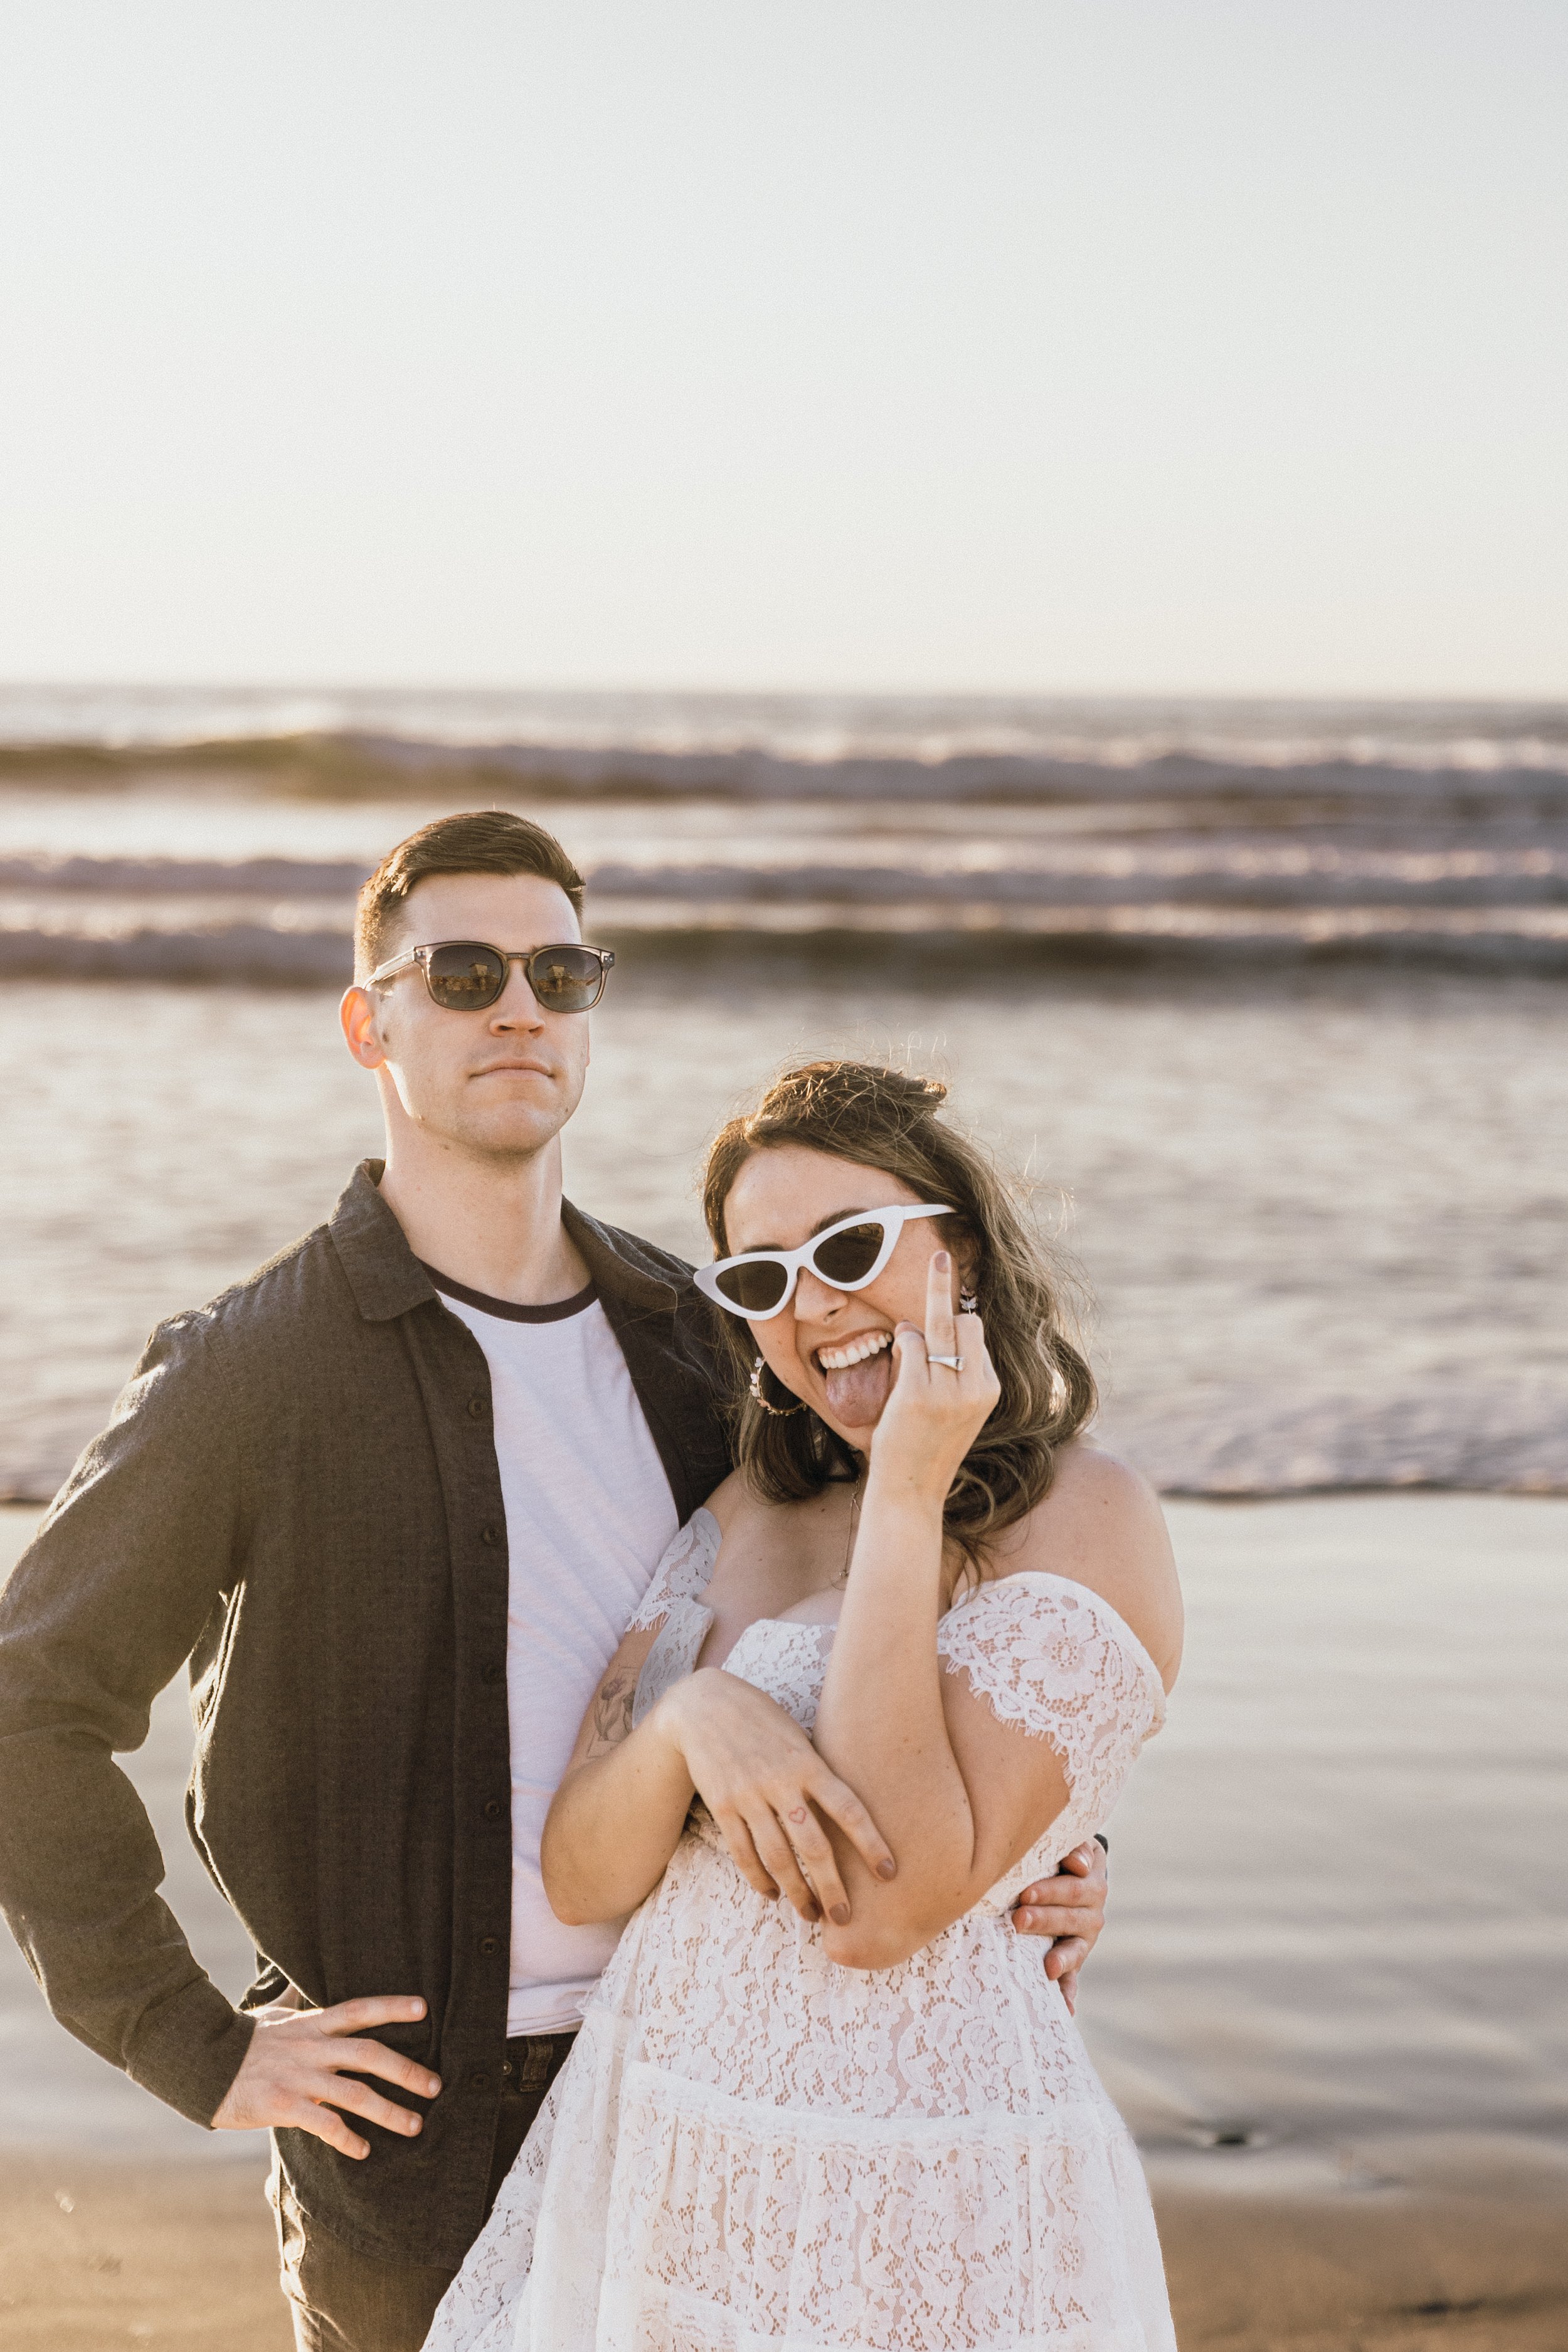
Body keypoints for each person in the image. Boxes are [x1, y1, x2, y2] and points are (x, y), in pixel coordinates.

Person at [0, 813, 1106, 2352]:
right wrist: (190, 2041)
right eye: (459, 972)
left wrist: (1038, 1826)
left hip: (721, 2074)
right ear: (366, 1023)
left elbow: (885, 1592)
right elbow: (29, 1706)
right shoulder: (251, 1371)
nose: (517, 1006)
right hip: (416, 2137)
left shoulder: (706, 1335)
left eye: (559, 969)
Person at [425, 1057, 1183, 2352]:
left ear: (962, 1250)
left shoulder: (1087, 1515)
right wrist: (690, 1724)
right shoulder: (743, 1514)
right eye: (763, 1276)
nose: (813, 1302)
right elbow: (582, 1871)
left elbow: (880, 1910)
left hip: (917, 2193)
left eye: (849, 1244)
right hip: (673, 2155)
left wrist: (903, 1493)